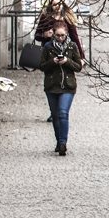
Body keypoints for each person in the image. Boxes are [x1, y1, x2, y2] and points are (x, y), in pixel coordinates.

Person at [39, 19, 83, 156]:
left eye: (62, 35)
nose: (60, 38)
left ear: (66, 34)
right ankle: (59, 141)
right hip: (52, 86)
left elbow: (78, 67)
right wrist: (53, 62)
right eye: (57, 35)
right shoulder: (48, 47)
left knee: (63, 112)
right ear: (53, 35)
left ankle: (63, 142)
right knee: (56, 115)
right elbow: (42, 66)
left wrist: (66, 61)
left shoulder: (72, 46)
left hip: (68, 86)